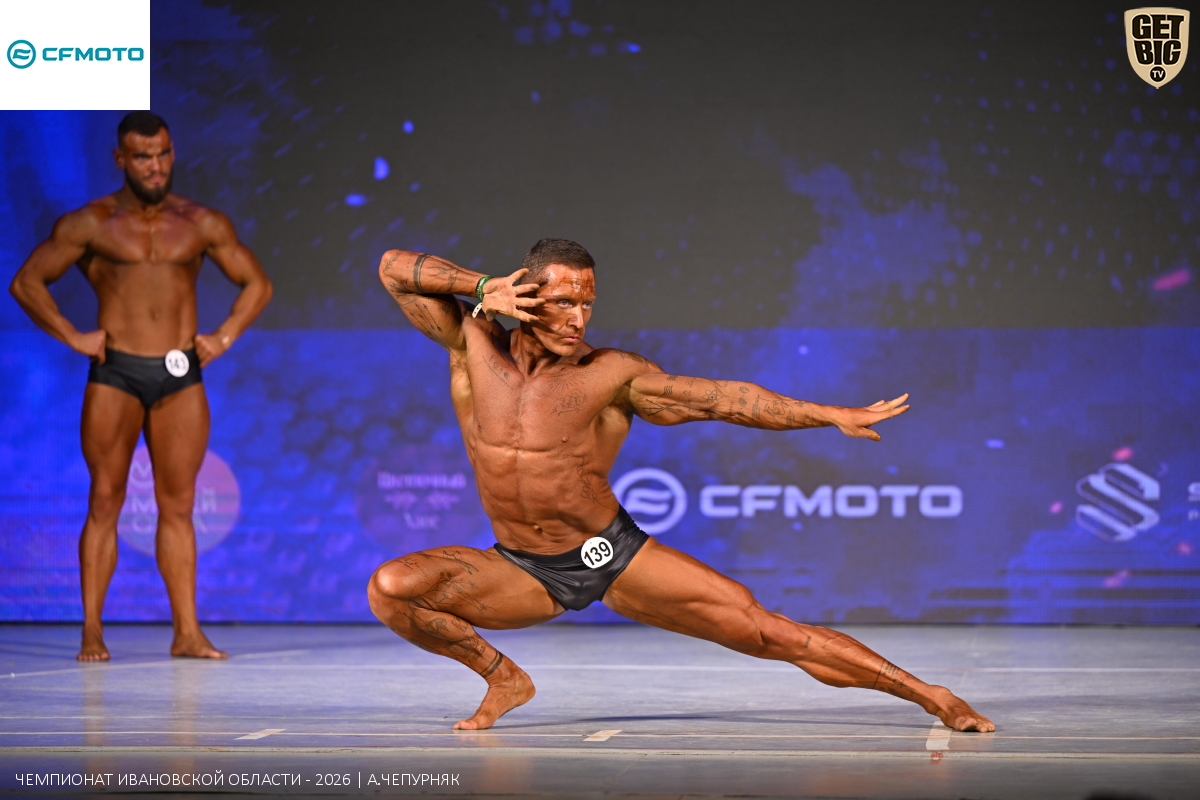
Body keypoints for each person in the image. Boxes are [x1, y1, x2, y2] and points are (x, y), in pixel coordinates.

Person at [369, 238, 994, 733]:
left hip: (608, 554)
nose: (579, 318)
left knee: (767, 632)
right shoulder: (471, 343)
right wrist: (480, 286)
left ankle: (930, 694)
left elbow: (724, 399)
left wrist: (826, 414)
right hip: (522, 568)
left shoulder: (611, 374)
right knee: (392, 589)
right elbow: (394, 268)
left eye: (588, 304)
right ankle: (505, 679)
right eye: (563, 303)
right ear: (524, 295)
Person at [9, 111, 272, 661]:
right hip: (117, 372)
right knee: (105, 498)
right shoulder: (91, 223)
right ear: (120, 159)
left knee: (178, 505)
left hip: (180, 373)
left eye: (163, 154)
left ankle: (187, 633)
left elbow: (257, 284)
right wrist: (72, 336)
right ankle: (92, 631)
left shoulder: (200, 222)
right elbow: (27, 282)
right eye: (143, 157)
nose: (156, 166)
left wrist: (222, 337)